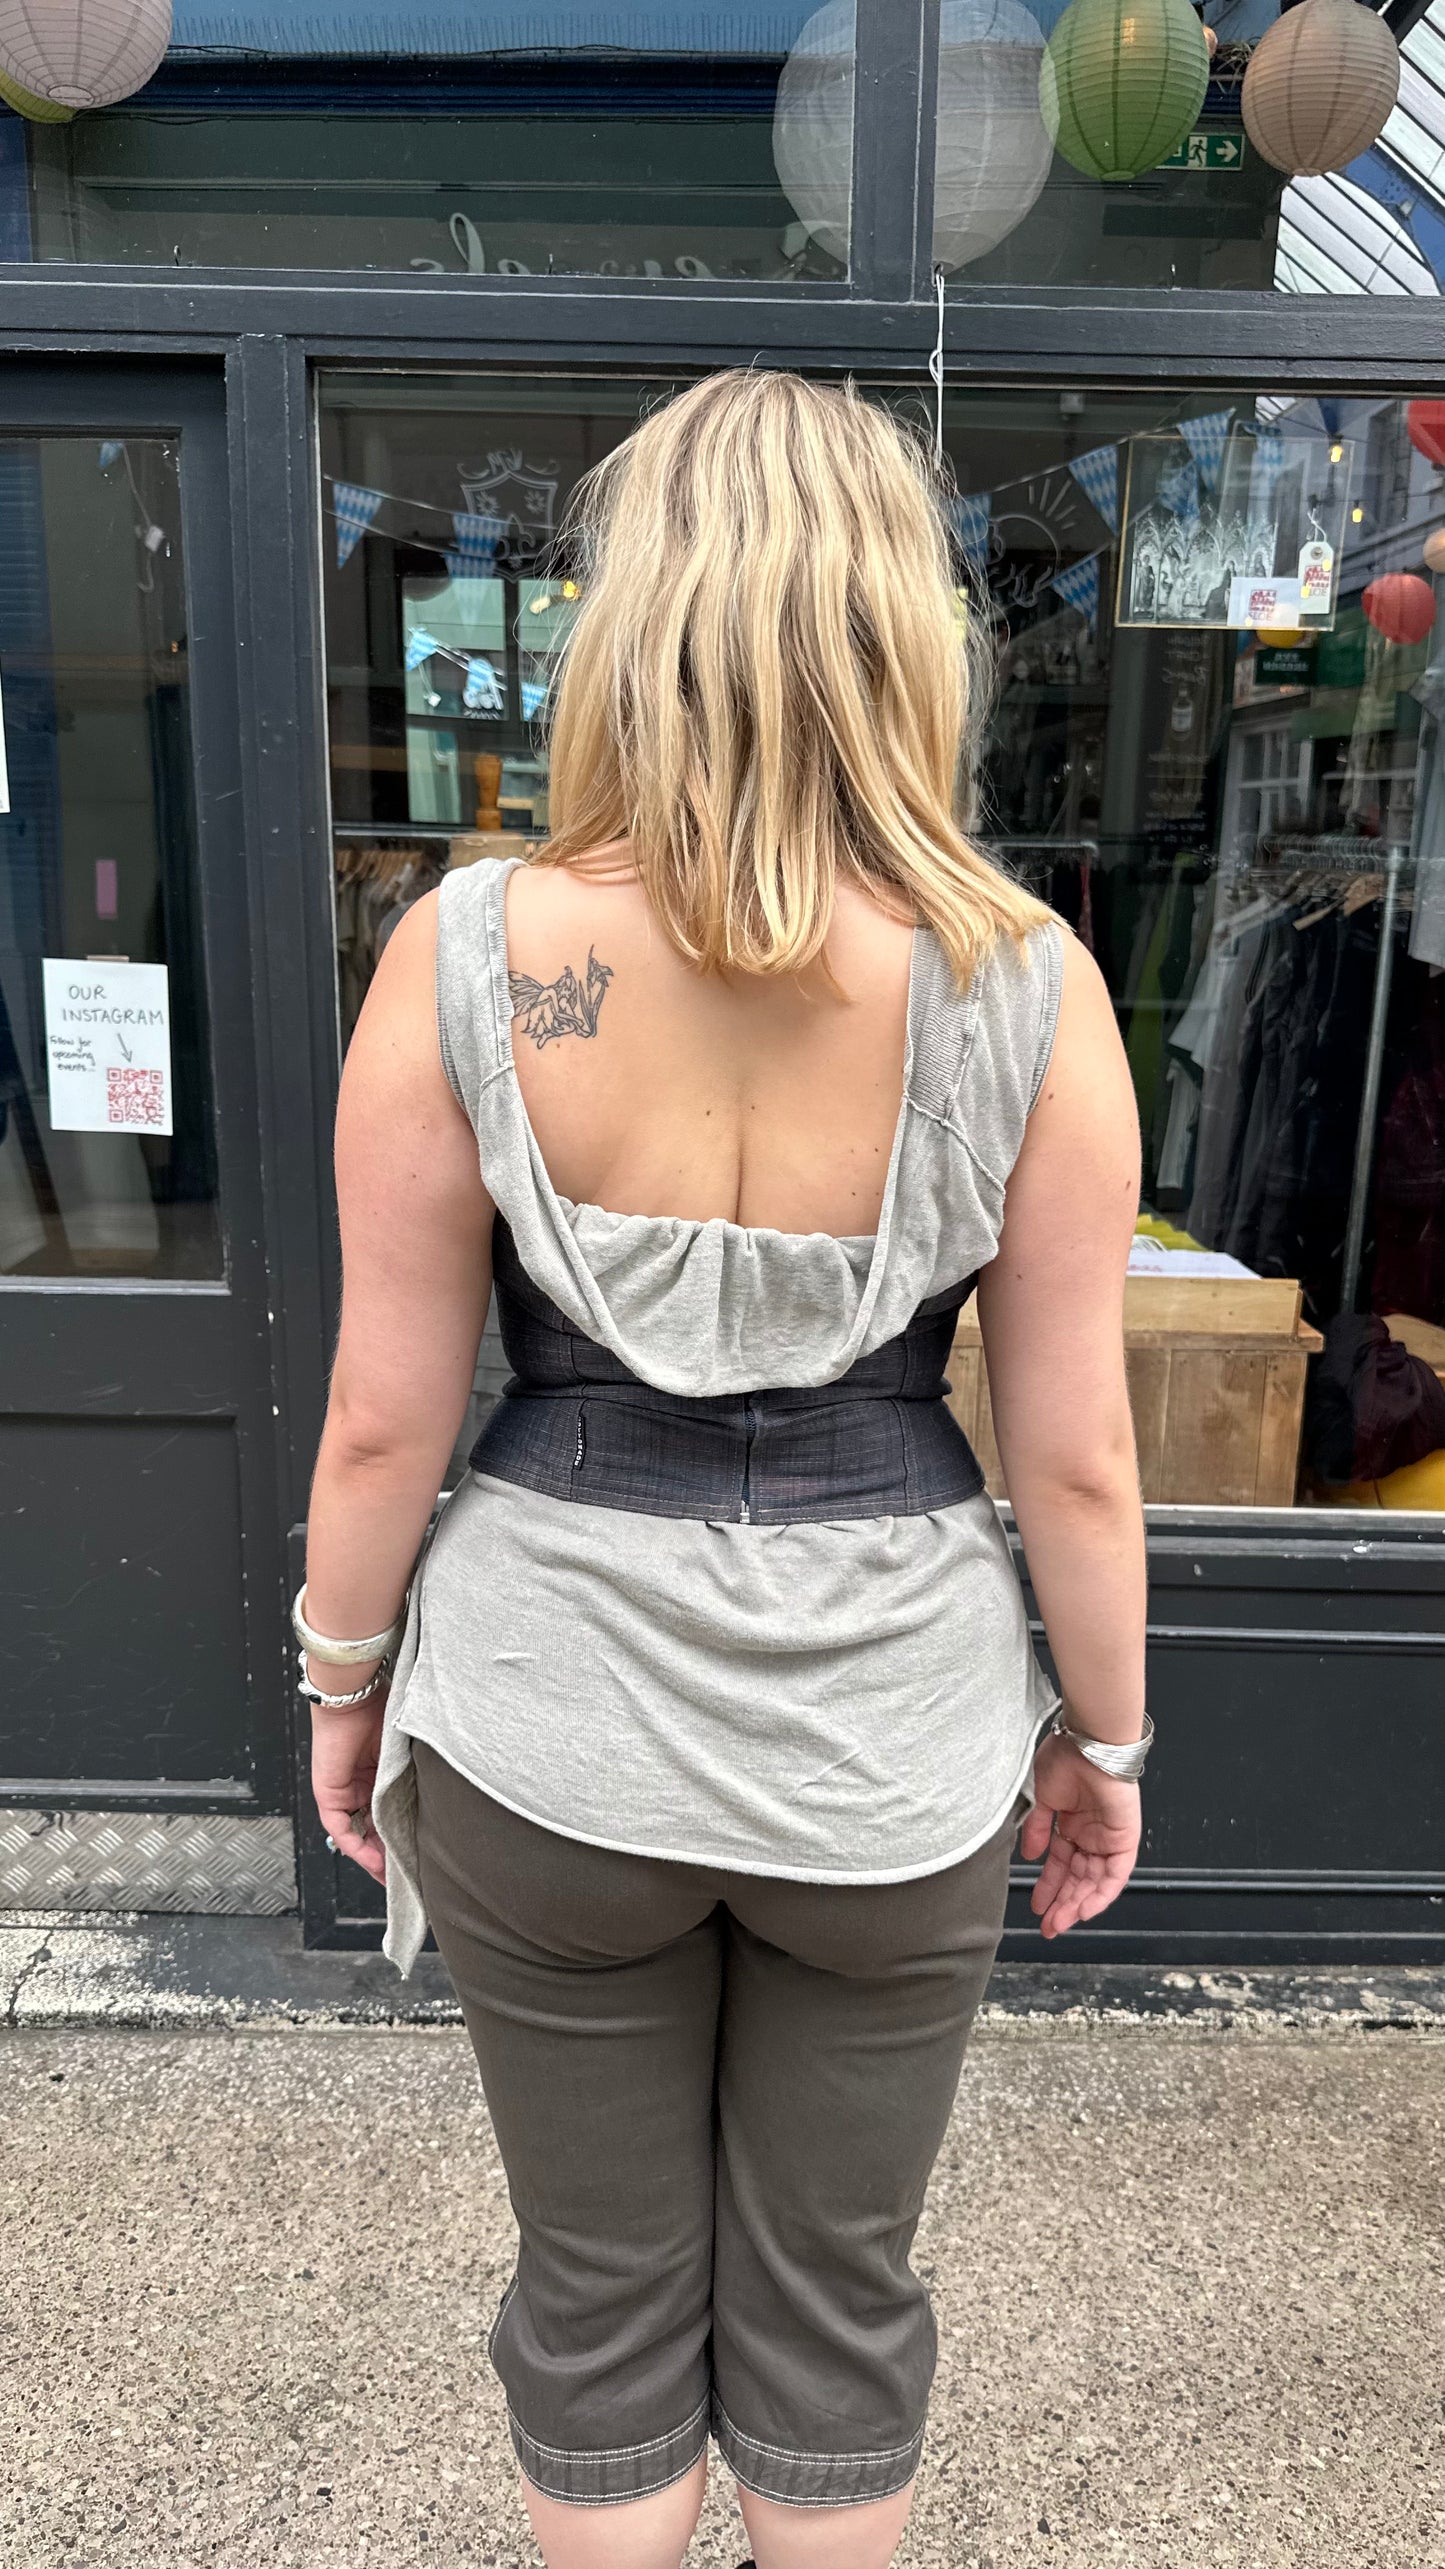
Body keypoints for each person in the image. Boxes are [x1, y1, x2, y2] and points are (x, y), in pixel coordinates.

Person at [298, 371, 1148, 2569]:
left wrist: (341, 1684)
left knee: (595, 2306)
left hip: (548, 1729)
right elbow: (1073, 1458)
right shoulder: (1027, 985)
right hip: (885, 1748)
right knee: (835, 2314)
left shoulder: (470, 956)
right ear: (902, 638)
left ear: (631, 620)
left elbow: (385, 1413)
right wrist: (1105, 1743)